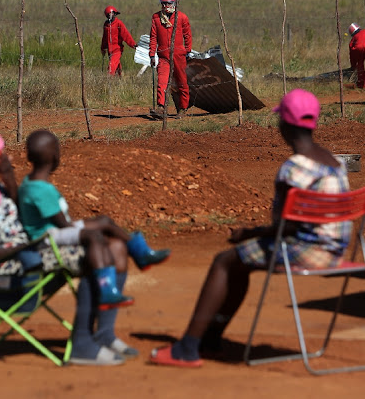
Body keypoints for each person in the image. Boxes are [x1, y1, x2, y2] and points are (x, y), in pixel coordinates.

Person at [149, 89, 351, 368]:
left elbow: (284, 228)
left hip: (306, 250)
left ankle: (188, 347)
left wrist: (249, 233)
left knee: (223, 262)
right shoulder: (335, 162)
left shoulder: (293, 169)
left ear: (285, 126)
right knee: (239, 262)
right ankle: (210, 339)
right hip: (336, 251)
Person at [0, 126, 129, 366]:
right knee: (94, 253)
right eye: (1, 155)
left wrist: (10, 182)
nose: (6, 160)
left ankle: (103, 334)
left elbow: (20, 218)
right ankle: (83, 344)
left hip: (29, 255)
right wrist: (16, 250)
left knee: (113, 245)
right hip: (8, 270)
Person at [18, 130, 171, 311]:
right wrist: (83, 228)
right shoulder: (41, 189)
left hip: (55, 230)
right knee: (94, 236)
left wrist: (82, 225)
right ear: (54, 155)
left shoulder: (30, 183)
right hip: (47, 237)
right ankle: (106, 288)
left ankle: (140, 251)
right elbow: (62, 224)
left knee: (104, 221)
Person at [149, 0, 193, 119]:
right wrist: (152, 54)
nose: (165, 6)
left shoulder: (182, 17)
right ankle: (161, 108)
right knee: (162, 82)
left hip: (179, 55)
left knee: (182, 82)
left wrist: (188, 51)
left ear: (173, 3)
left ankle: (183, 109)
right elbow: (153, 37)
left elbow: (187, 35)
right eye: (163, 4)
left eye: (168, 4)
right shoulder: (156, 17)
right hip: (163, 55)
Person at [101, 6, 137, 77]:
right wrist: (103, 48)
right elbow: (104, 38)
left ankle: (108, 80)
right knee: (116, 65)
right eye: (109, 14)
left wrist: (133, 44)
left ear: (115, 14)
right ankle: (120, 78)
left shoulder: (119, 23)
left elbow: (126, 35)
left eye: (112, 14)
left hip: (117, 49)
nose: (110, 15)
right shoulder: (106, 25)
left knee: (112, 66)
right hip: (109, 50)